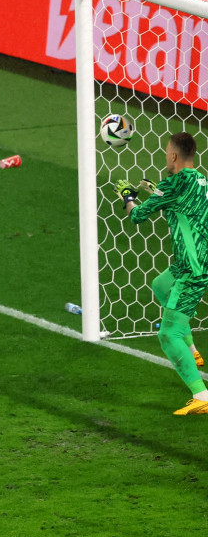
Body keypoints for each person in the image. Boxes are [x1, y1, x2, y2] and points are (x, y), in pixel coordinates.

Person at [117, 131, 208, 414]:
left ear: (173, 156)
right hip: (189, 262)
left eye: (166, 152)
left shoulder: (173, 183)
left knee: (167, 335)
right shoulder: (200, 180)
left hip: (192, 269)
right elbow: (181, 209)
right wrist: (157, 191)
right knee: (159, 285)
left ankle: (202, 396)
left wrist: (129, 196)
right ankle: (192, 351)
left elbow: (138, 216)